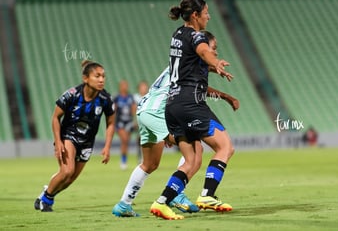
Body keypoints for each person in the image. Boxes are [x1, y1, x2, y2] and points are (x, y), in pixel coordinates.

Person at [112, 32, 239, 218]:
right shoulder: (192, 63)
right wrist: (226, 96)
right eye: (213, 48)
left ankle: (124, 204)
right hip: (159, 111)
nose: (215, 52)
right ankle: (176, 195)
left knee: (149, 163)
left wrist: (215, 68)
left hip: (145, 110)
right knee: (195, 153)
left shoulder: (181, 62)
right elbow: (200, 86)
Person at [149, 0, 235, 220]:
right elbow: (204, 52)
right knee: (225, 147)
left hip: (173, 105)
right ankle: (208, 194)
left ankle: (162, 202)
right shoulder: (196, 36)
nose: (209, 15)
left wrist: (213, 68)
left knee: (192, 161)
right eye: (206, 11)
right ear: (195, 15)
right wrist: (215, 62)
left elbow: (191, 62)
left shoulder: (177, 34)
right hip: (191, 103)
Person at [34, 60, 115, 212]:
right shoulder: (72, 95)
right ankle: (46, 201)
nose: (101, 79)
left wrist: (107, 146)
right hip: (68, 136)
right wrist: (58, 142)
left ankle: (45, 193)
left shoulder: (105, 99)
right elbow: (55, 118)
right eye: (97, 76)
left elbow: (111, 123)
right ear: (86, 78)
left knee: (70, 179)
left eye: (103, 76)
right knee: (67, 171)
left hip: (87, 142)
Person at [114, 80, 136, 170]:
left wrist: (135, 121)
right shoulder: (117, 97)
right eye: (123, 85)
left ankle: (124, 159)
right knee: (124, 139)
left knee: (126, 142)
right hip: (120, 122)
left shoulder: (130, 97)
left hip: (129, 122)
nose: (125, 87)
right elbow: (114, 111)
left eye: (126, 85)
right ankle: (123, 160)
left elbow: (134, 108)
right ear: (120, 86)